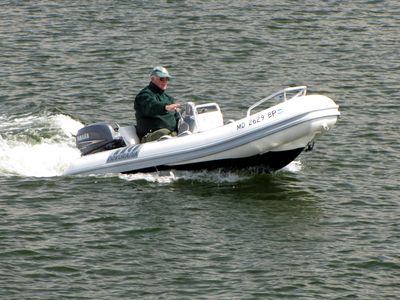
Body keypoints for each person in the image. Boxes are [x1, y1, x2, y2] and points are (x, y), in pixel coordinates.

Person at [134, 66, 180, 143]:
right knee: (164, 132)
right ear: (152, 79)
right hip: (151, 135)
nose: (165, 81)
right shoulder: (144, 96)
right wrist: (165, 107)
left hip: (172, 133)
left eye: (167, 79)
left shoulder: (168, 98)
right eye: (162, 79)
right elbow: (151, 106)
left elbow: (176, 116)